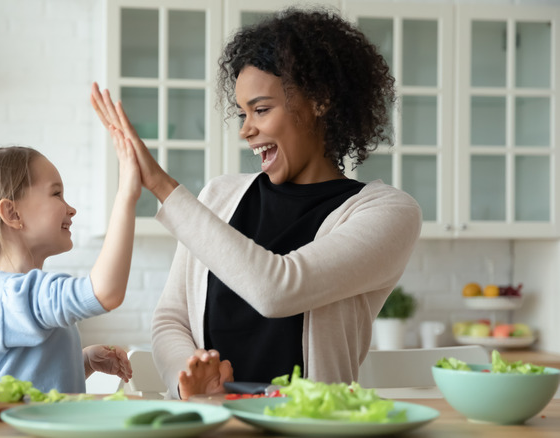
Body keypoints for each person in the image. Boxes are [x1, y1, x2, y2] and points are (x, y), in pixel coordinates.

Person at [91, 6, 422, 400]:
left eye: (261, 110)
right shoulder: (218, 197)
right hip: (211, 424)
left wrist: (162, 186)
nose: (247, 130)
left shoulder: (386, 212)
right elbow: (171, 319)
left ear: (320, 100)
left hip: (312, 428)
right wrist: (191, 381)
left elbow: (277, 289)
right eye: (243, 113)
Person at [0, 129, 139, 392]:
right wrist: (126, 197)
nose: (71, 208)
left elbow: (35, 381)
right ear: (12, 213)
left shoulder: (22, 294)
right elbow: (105, 292)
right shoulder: (7, 295)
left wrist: (82, 361)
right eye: (56, 194)